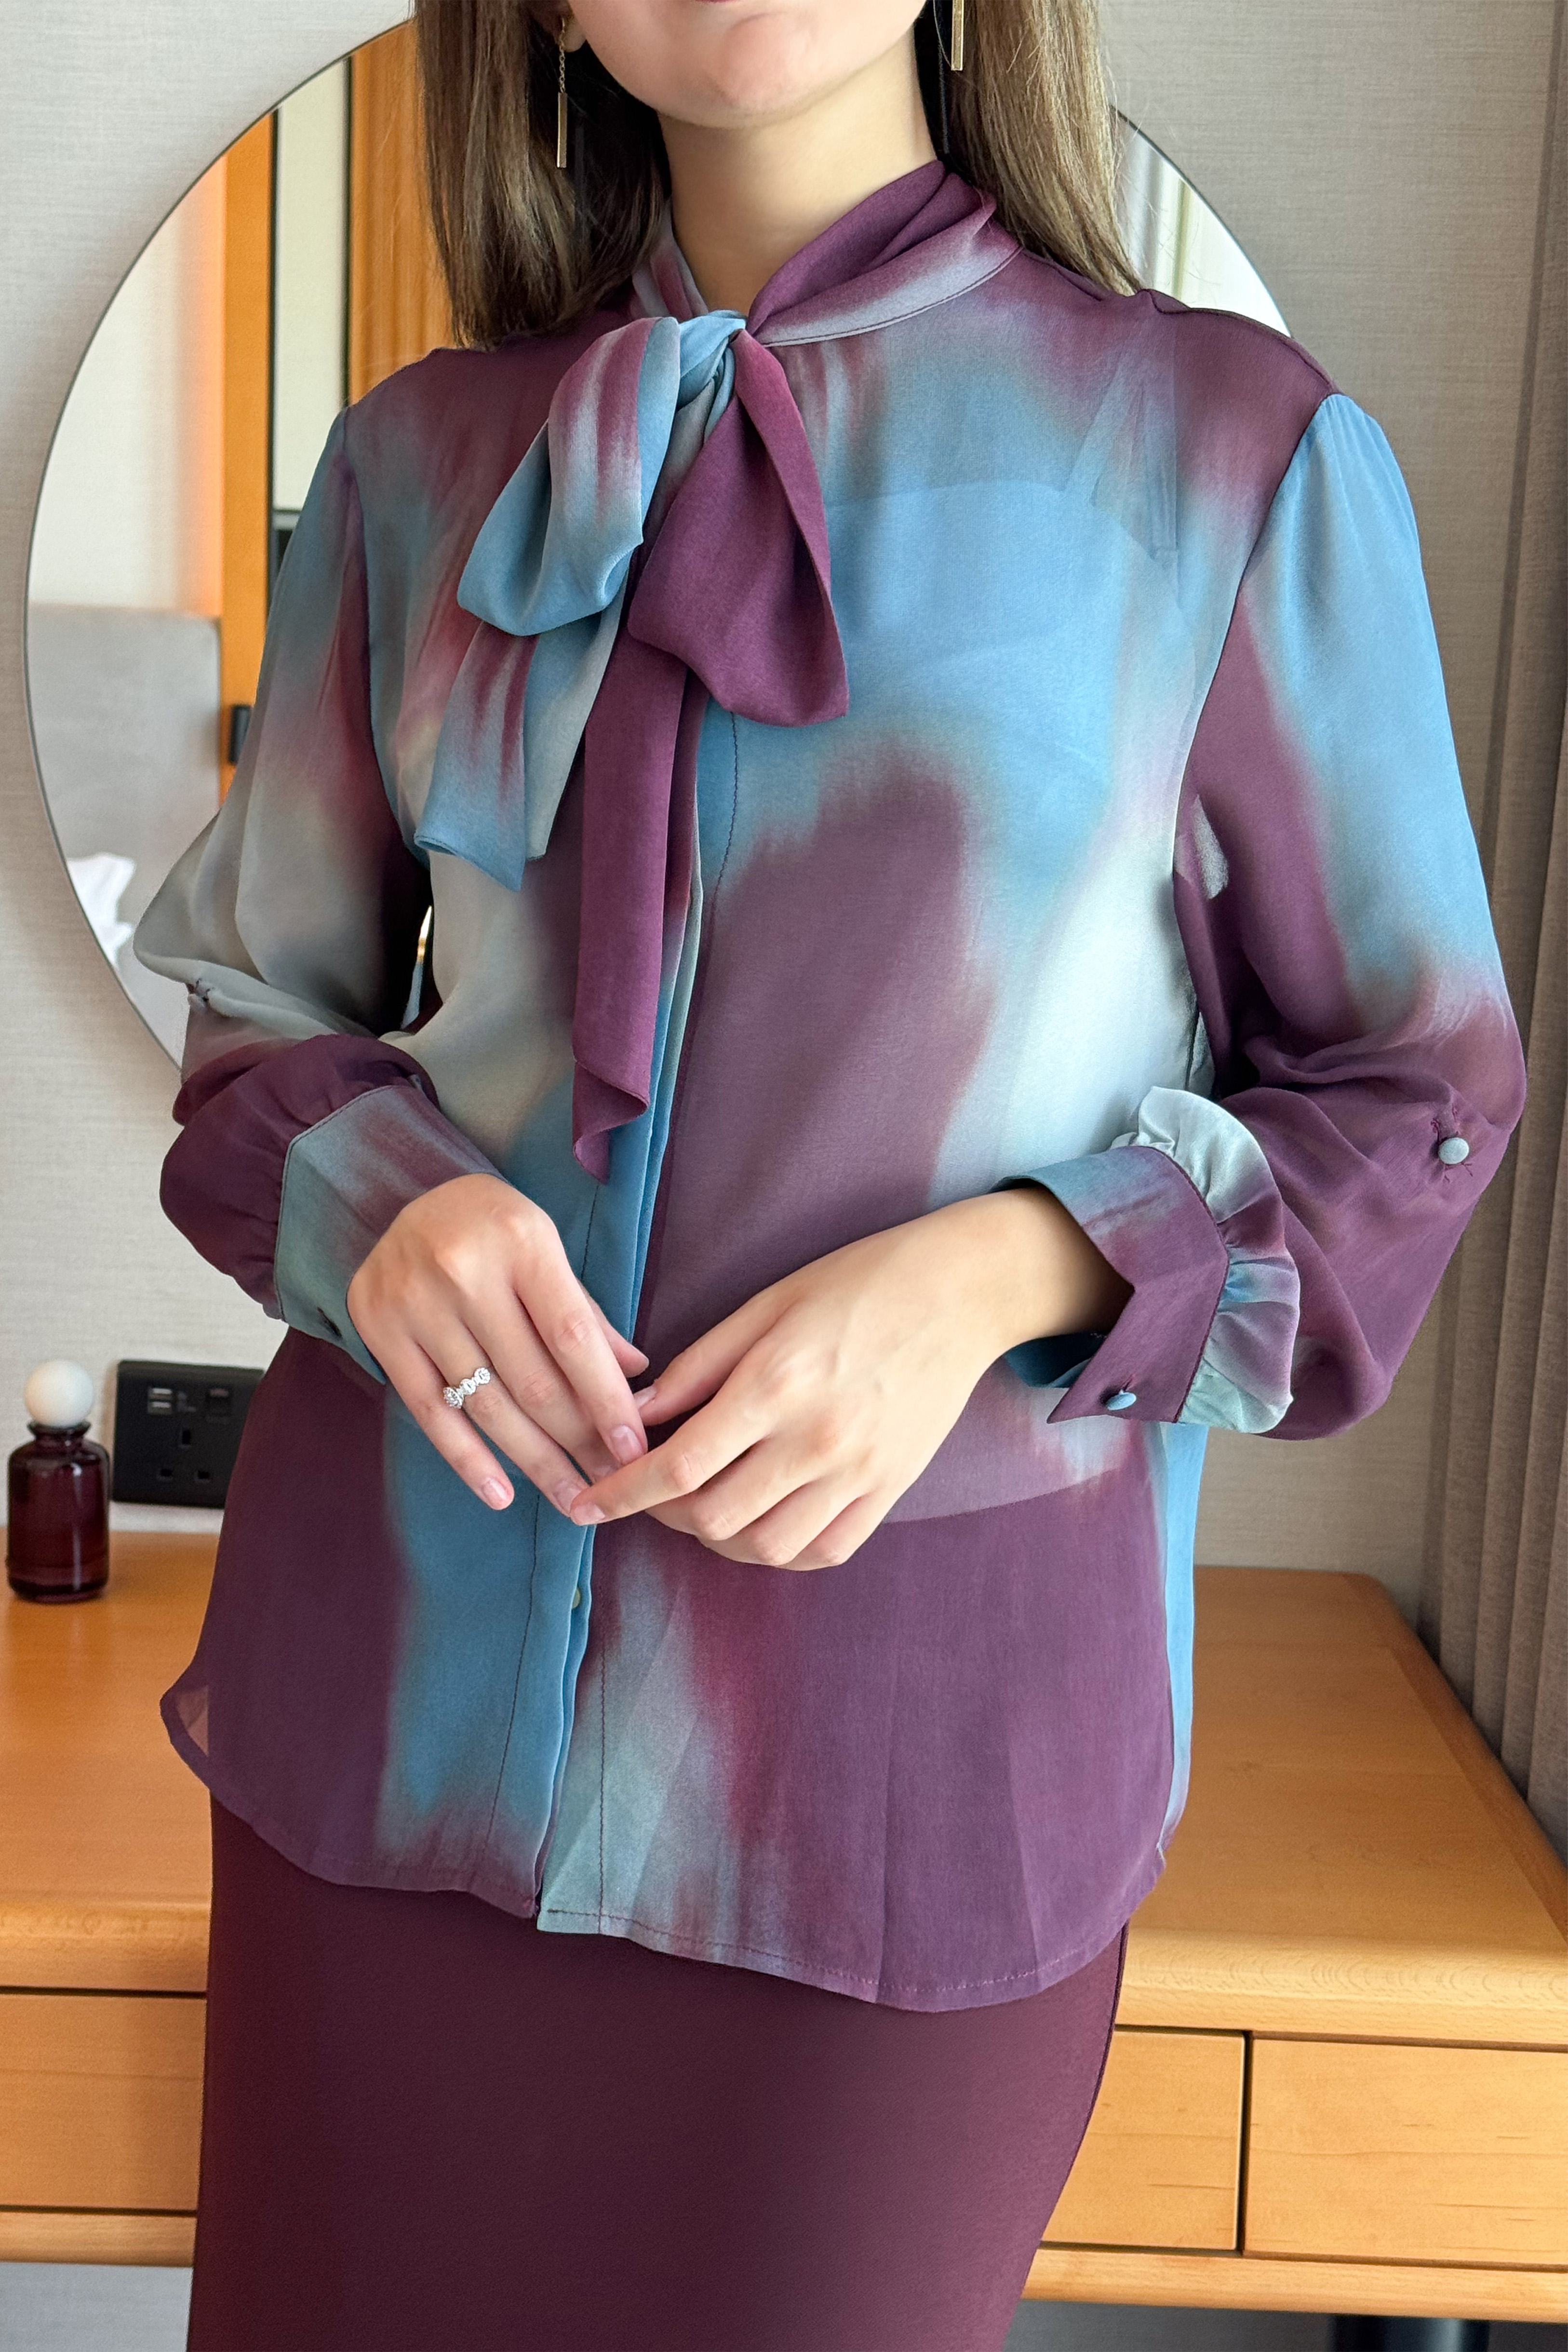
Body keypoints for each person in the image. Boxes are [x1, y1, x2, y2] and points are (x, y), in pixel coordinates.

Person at [134, 1, 1525, 2346]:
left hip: (908, 1789)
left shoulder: (1229, 461)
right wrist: (388, 1203)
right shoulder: (415, 465)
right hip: (384, 1736)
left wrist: (1009, 1265)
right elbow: (258, 1028)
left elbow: (1415, 1094)